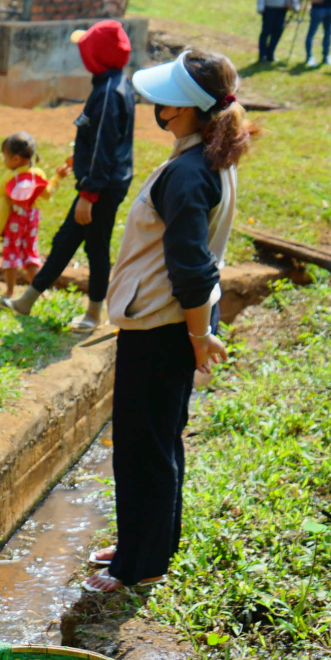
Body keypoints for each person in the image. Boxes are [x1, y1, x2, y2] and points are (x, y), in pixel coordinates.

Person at [82, 50, 257, 596]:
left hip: (162, 329)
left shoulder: (188, 172)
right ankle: (140, 544)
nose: (155, 106)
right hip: (161, 327)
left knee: (146, 449)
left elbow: (191, 267)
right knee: (150, 442)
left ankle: (140, 566)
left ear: (180, 110)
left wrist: (200, 333)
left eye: (163, 100)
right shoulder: (203, 160)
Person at [0, 19, 135, 330]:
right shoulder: (112, 83)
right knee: (66, 240)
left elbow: (103, 146)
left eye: (86, 49)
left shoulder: (109, 93)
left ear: (96, 55)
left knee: (95, 246)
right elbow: (104, 140)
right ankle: (27, 301)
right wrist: (81, 158)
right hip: (103, 182)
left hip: (101, 188)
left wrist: (88, 194)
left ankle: (93, 314)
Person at [0, 133, 50, 306]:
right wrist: (58, 178)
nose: (4, 161)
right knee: (31, 253)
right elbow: (46, 194)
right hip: (32, 219)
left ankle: (9, 291)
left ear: (16, 159)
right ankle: (39, 290)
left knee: (11, 254)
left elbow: (4, 206)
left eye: (5, 157)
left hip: (13, 222)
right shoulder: (39, 174)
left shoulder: (9, 178)